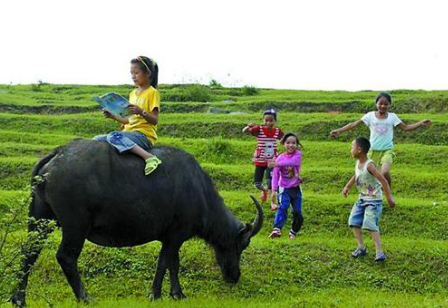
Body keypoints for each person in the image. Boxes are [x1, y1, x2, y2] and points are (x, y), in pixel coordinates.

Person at [330, 92, 431, 186]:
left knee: (385, 172)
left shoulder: (392, 117)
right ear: (376, 103)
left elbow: (406, 128)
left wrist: (420, 123)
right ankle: (361, 191)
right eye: (380, 103)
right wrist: (339, 131)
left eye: (386, 104)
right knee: (364, 172)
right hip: (372, 151)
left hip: (387, 150)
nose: (383, 106)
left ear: (389, 105)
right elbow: (354, 124)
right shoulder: (370, 116)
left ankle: (388, 193)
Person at [93, 56, 162, 175]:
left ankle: (149, 157)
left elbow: (155, 120)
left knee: (113, 136)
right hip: (130, 132)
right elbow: (128, 121)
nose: (133, 76)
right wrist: (112, 116)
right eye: (131, 73)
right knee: (96, 139)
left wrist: (141, 112)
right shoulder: (132, 94)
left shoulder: (152, 93)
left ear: (148, 73)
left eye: (136, 73)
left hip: (143, 135)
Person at [343, 137, 396, 261]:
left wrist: (389, 198)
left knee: (371, 224)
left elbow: (383, 181)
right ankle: (361, 247)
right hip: (362, 198)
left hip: (374, 200)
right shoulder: (358, 163)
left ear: (359, 150)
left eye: (352, 147)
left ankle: (379, 251)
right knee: (353, 221)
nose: (351, 150)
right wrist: (347, 186)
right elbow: (356, 175)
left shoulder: (370, 165)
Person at [242, 109, 284, 205]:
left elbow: (284, 139)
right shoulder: (259, 129)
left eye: (271, 120)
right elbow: (245, 132)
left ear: (275, 121)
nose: (268, 122)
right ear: (263, 120)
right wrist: (248, 127)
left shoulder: (278, 131)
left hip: (271, 161)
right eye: (266, 120)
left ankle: (272, 200)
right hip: (260, 161)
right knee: (257, 184)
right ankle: (264, 190)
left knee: (270, 183)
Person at [268, 133, 303, 239]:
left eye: (293, 143)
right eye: (288, 143)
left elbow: (293, 162)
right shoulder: (280, 158)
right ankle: (276, 229)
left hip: (296, 188)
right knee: (283, 206)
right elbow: (275, 175)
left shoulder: (298, 155)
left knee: (297, 212)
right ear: (283, 144)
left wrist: (278, 164)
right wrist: (274, 190)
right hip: (284, 188)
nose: (291, 145)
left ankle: (293, 232)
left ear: (297, 145)